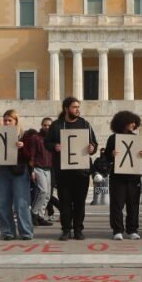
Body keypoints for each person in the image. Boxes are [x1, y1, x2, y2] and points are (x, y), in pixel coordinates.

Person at [46, 97, 98, 241]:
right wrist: (54, 147)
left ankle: (78, 229)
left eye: (78, 107)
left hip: (81, 171)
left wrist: (92, 148)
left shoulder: (85, 124)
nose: (77, 109)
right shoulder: (57, 125)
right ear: (66, 109)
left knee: (80, 203)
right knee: (65, 202)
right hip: (63, 172)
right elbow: (47, 143)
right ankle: (66, 230)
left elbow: (94, 143)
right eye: (74, 107)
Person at [101, 110, 142, 240]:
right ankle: (117, 230)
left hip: (133, 176)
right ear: (123, 123)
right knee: (117, 204)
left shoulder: (136, 138)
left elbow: (139, 155)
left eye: (134, 122)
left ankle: (132, 229)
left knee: (133, 204)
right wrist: (111, 154)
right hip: (118, 176)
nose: (133, 124)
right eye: (131, 122)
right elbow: (106, 157)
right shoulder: (113, 138)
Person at [0, 109, 35, 241]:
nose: (7, 123)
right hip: (2, 170)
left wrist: (22, 147)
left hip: (19, 171)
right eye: (5, 120)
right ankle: (7, 232)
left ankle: (26, 232)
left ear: (16, 121)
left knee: (21, 203)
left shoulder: (25, 136)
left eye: (10, 120)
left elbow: (30, 157)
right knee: (3, 202)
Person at [29, 118, 54, 226]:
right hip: (38, 167)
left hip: (49, 168)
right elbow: (31, 154)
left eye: (49, 125)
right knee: (42, 191)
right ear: (42, 126)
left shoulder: (54, 138)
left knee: (48, 194)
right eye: (45, 125)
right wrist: (32, 170)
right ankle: (33, 213)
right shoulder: (36, 138)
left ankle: (40, 215)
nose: (47, 127)